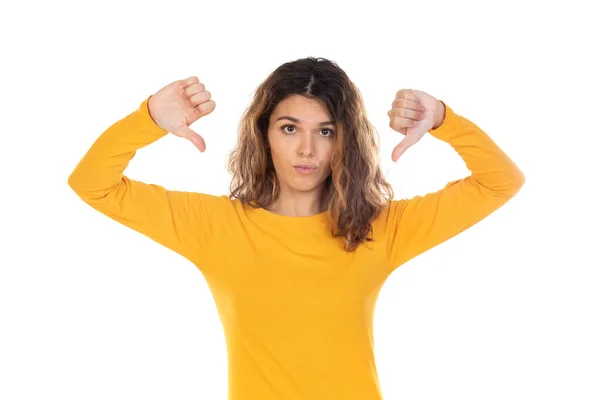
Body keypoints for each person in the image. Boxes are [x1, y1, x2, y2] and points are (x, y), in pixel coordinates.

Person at [68, 57, 525, 399]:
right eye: (290, 128)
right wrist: (147, 117)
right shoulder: (215, 227)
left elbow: (501, 183)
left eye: (325, 131)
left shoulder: (380, 228)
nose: (307, 149)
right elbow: (93, 185)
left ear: (344, 140)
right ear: (264, 133)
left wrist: (445, 120)